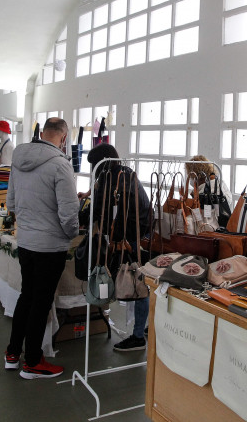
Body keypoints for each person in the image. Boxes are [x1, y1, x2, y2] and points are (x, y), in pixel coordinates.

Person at [5, 117, 79, 379]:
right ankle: (33, 361)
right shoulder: (61, 165)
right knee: (41, 301)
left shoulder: (19, 158)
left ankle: (13, 353)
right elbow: (69, 211)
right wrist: (71, 234)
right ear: (63, 136)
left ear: (43, 132)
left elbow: (10, 201)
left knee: (27, 296)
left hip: (26, 240)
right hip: (50, 244)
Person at [85, 143, 152, 352]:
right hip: (135, 238)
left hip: (128, 241)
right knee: (136, 284)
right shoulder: (125, 175)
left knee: (136, 285)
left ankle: (138, 336)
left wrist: (79, 215)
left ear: (102, 163)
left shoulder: (115, 182)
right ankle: (140, 329)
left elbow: (99, 211)